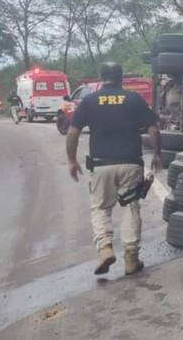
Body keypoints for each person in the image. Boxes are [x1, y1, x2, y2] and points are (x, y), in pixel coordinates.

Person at [66, 62, 162, 276]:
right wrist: (157, 154)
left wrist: (72, 160)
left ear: (101, 77)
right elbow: (153, 128)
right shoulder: (134, 99)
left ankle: (105, 248)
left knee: (100, 208)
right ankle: (131, 258)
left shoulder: (89, 101)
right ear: (122, 78)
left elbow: (73, 133)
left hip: (101, 164)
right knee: (130, 207)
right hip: (130, 163)